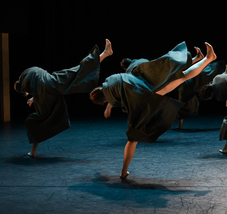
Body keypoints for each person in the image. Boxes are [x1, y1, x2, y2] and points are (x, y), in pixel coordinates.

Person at [90, 42, 216, 179]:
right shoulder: (110, 80)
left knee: (132, 140)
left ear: (103, 100)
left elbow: (119, 100)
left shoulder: (113, 97)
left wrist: (110, 107)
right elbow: (114, 92)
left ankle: (123, 172)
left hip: (146, 93)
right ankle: (207, 59)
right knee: (182, 75)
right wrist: (109, 105)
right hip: (147, 80)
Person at [14, 39, 113, 157]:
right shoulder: (27, 73)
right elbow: (39, 82)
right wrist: (34, 97)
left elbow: (38, 87)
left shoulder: (26, 85)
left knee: (39, 120)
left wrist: (34, 97)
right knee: (77, 71)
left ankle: (33, 151)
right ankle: (104, 54)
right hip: (53, 80)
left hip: (48, 88)